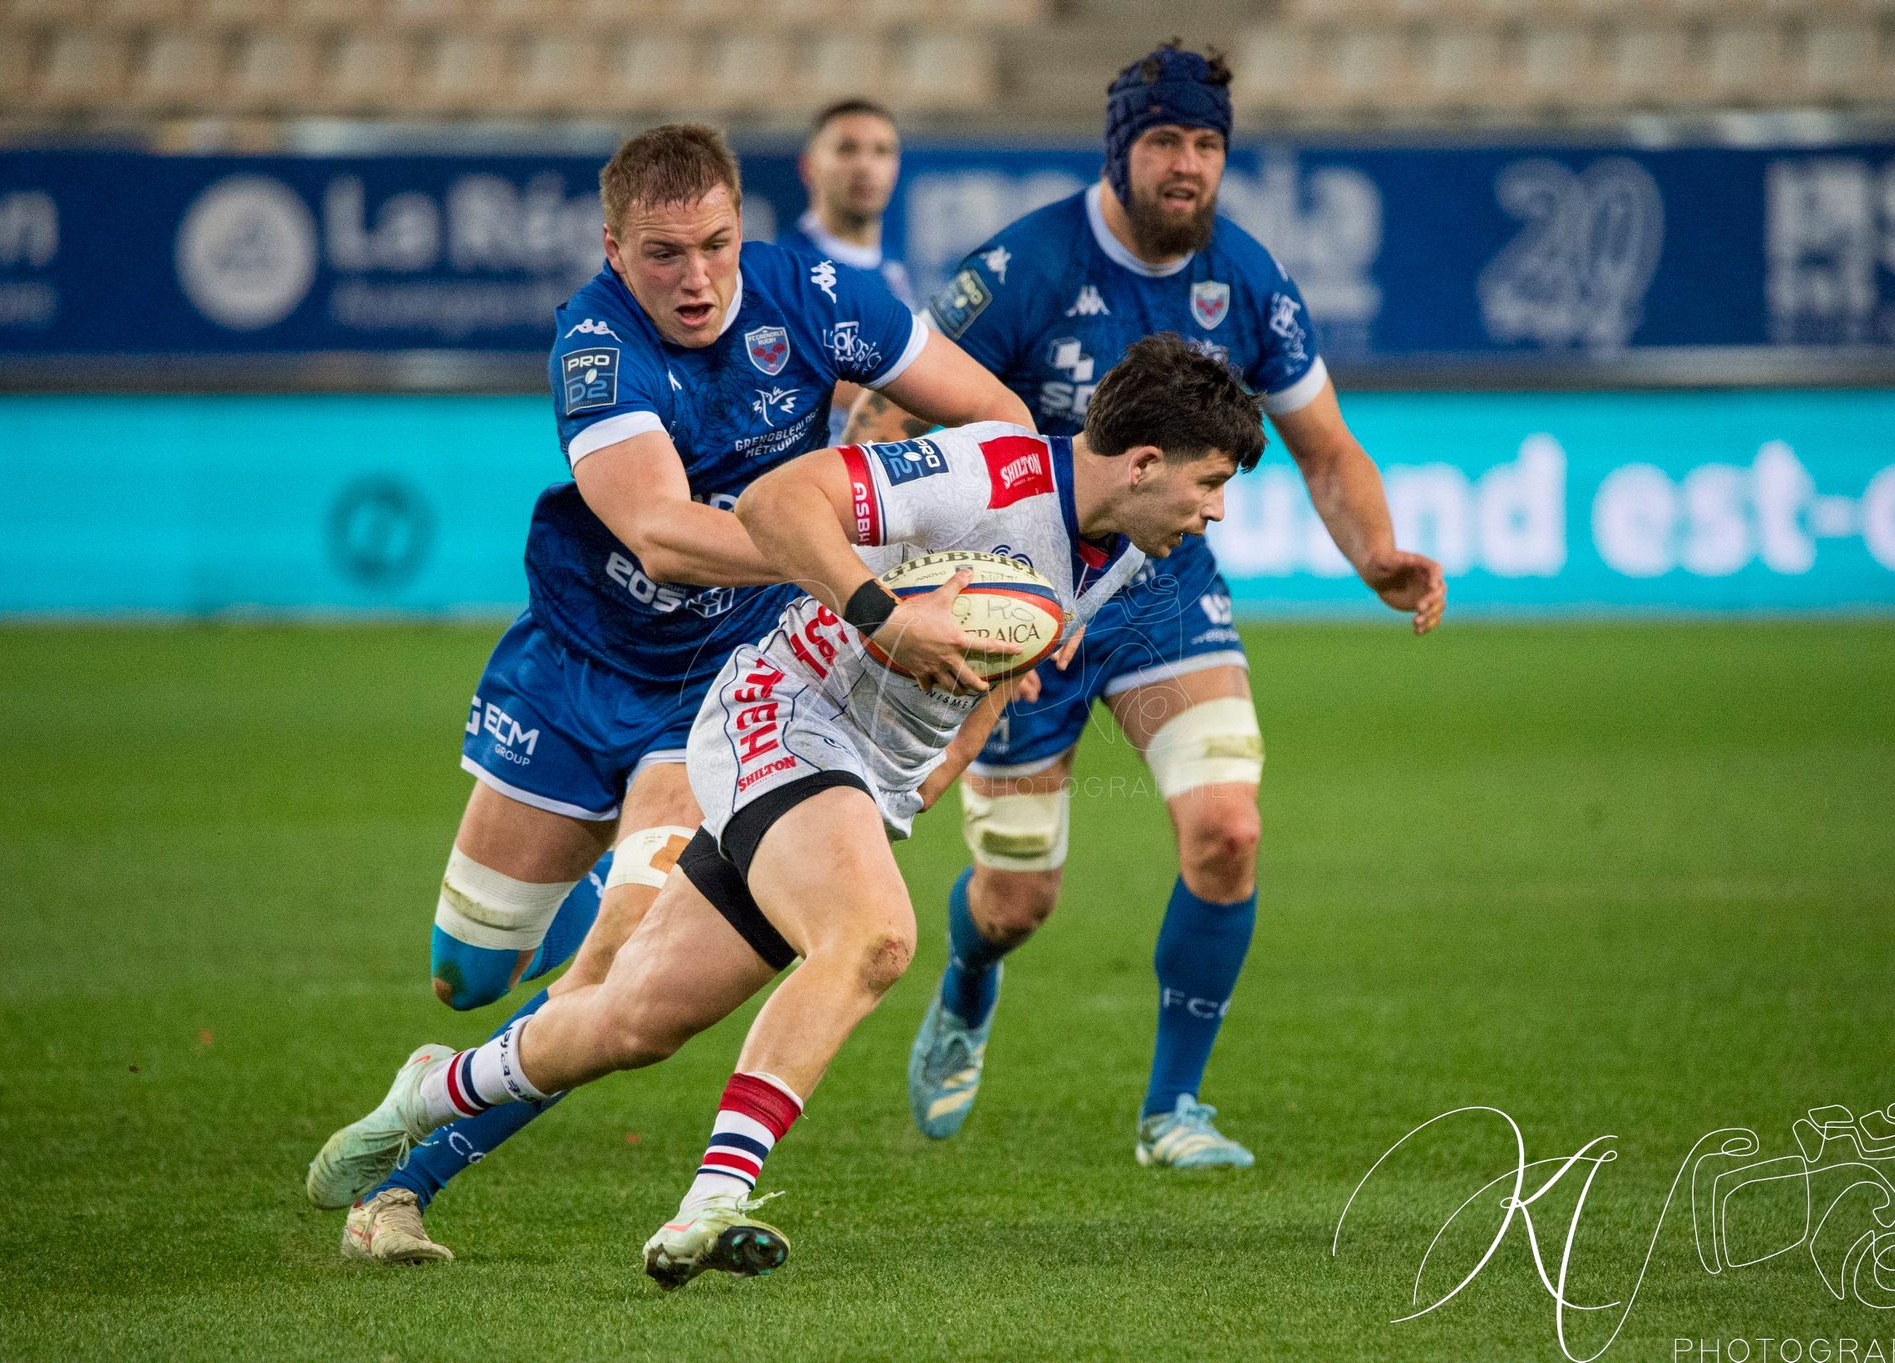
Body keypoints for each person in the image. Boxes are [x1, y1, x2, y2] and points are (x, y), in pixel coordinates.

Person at [305, 334, 1265, 1288]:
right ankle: (713, 1199)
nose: (1217, 510)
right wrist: (884, 611)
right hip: (783, 714)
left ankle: (423, 1098)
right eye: (1211, 481)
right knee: (875, 935)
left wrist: (938, 766)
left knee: (631, 1020)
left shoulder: (1127, 547)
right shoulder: (986, 470)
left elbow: (1006, 663)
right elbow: (775, 503)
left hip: (864, 776)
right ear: (1143, 463)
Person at [332, 121, 1030, 1263]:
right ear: (613, 248)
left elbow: (998, 424)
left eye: (714, 245)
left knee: (618, 966)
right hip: (573, 666)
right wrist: (846, 567)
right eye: (663, 254)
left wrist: (967, 545)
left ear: (741, 228)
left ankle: (404, 1186)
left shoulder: (820, 295)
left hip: (722, 684)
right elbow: (659, 534)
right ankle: (537, 959)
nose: (696, 278)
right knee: (467, 971)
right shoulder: (595, 348)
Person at [845, 42, 1447, 1168]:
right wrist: (881, 583)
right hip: (1016, 598)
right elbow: (889, 418)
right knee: (1017, 898)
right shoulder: (1024, 265)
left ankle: (1173, 1110)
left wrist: (1376, 555)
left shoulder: (1249, 277)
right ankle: (970, 975)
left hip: (1164, 592)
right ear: (1119, 148)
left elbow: (1324, 447)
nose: (1187, 165)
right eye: (1165, 141)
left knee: (1227, 831)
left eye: (1207, 145)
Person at [774, 97, 920, 445]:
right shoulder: (785, 268)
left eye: (881, 151)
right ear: (808, 166)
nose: (865, 167)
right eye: (846, 150)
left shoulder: (893, 268)